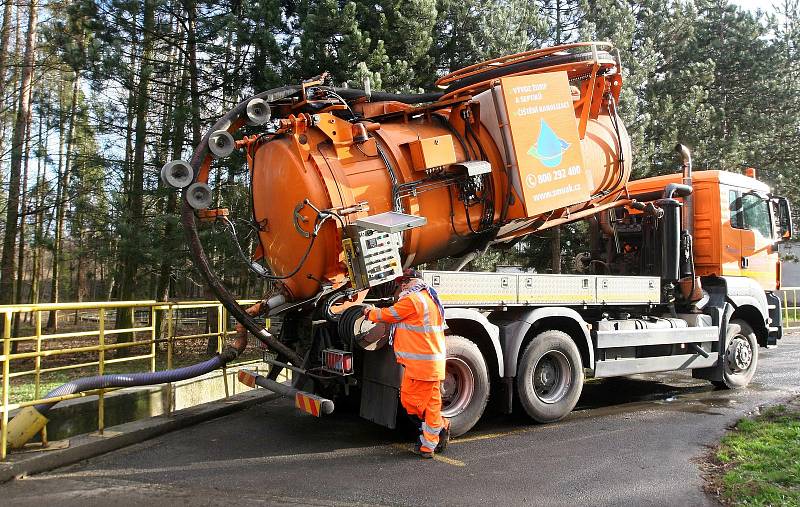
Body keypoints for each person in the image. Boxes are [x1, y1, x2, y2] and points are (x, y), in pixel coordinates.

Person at [362, 268, 450, 459]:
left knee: (423, 406)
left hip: (424, 365)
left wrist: (370, 313)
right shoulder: (425, 298)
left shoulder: (414, 299)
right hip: (422, 364)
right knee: (413, 403)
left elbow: (390, 315)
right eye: (400, 282)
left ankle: (428, 445)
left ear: (416, 281)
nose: (402, 284)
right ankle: (439, 428)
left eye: (406, 281)